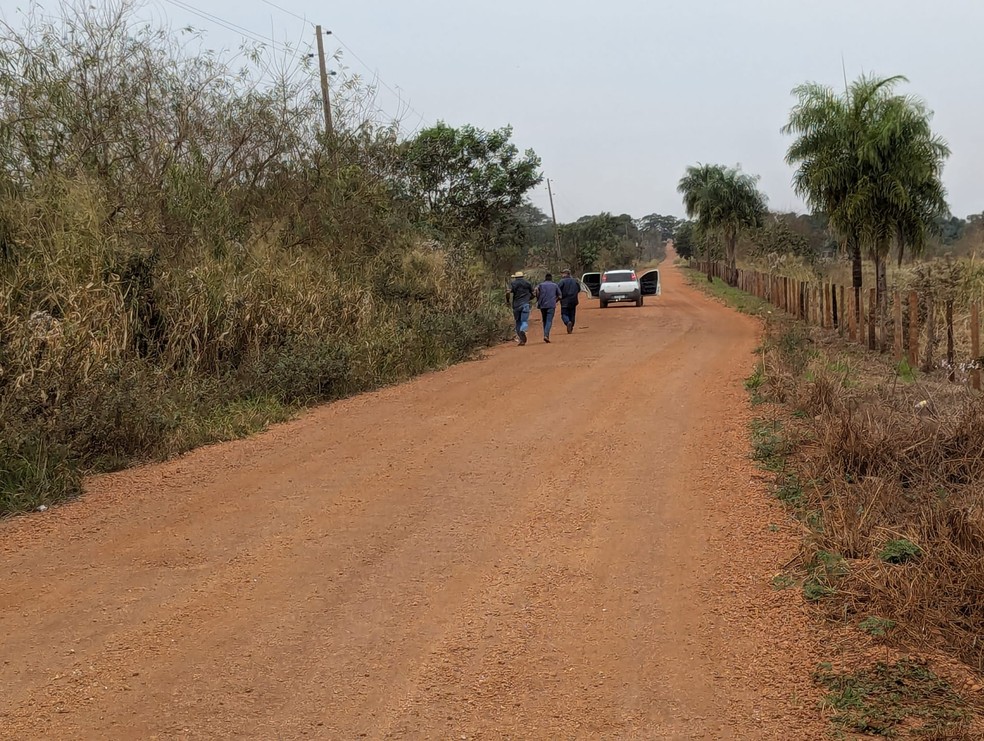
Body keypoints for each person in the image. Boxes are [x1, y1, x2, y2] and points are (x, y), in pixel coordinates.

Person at [507, 270, 534, 345]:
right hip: (525, 304)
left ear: (515, 277)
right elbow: (534, 292)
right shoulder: (527, 283)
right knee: (524, 321)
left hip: (516, 305)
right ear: (522, 276)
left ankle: (521, 339)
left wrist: (508, 301)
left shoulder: (513, 283)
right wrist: (530, 298)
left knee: (518, 322)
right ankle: (523, 330)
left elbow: (508, 292)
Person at [535, 272, 562, 343]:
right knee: (549, 320)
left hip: (542, 305)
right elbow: (560, 296)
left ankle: (546, 335)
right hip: (551, 305)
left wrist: (538, 299)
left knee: (544, 320)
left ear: (545, 278)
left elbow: (536, 291)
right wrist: (555, 301)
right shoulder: (555, 285)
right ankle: (546, 335)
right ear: (551, 278)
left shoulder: (540, 285)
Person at [557, 268, 580, 334]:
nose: (562, 275)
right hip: (574, 300)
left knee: (564, 314)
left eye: (563, 273)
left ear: (566, 274)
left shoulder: (562, 281)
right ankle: (571, 326)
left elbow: (558, 290)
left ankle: (567, 322)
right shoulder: (575, 281)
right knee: (572, 314)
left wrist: (557, 298)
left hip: (565, 301)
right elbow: (579, 289)